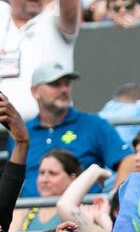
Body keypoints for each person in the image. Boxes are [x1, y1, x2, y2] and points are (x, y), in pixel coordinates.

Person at [21, 61, 129, 196]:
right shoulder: (22, 133)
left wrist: (115, 202)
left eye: (67, 84)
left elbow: (127, 160)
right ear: (35, 91)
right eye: (55, 84)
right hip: (29, 214)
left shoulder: (93, 124)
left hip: (80, 212)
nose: (64, 90)